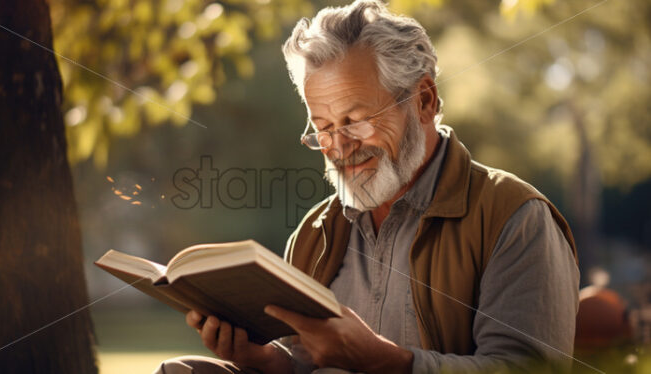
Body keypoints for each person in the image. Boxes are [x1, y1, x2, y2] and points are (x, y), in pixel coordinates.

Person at [155, 0, 580, 373]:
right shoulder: (314, 231)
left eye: (355, 120)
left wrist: (387, 362)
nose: (339, 146)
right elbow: (307, 363)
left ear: (424, 101)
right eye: (322, 128)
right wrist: (265, 360)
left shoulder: (516, 217)